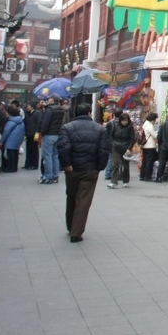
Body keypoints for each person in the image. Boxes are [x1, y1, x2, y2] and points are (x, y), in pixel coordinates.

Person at [57, 103, 110, 242]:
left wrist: (67, 165)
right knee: (83, 201)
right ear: (89, 113)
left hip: (72, 169)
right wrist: (99, 167)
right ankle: (76, 232)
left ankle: (71, 226)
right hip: (90, 169)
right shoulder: (100, 129)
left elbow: (63, 147)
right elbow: (103, 150)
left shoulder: (67, 128)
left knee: (71, 196)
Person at [39, 95, 68, 184]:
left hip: (49, 134)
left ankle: (48, 176)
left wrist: (42, 132)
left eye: (49, 98)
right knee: (55, 156)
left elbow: (45, 123)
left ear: (52, 99)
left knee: (47, 156)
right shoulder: (61, 109)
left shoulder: (50, 109)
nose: (48, 100)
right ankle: (55, 176)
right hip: (57, 134)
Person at [107, 111, 136, 189]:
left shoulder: (130, 127)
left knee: (125, 165)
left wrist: (129, 148)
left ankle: (125, 181)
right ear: (120, 120)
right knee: (115, 165)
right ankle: (114, 182)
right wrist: (113, 143)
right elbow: (111, 135)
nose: (124, 122)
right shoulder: (115, 125)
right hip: (116, 147)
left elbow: (132, 139)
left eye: (126, 120)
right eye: (123, 120)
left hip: (126, 148)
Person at [0, 102, 25, 172]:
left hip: (10, 139)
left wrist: (1, 141)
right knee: (15, 153)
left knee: (10, 154)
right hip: (18, 139)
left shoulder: (11, 121)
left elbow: (6, 132)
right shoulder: (20, 121)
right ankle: (14, 167)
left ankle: (11, 168)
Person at [140, 112, 159, 181]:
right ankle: (147, 176)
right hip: (150, 146)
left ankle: (142, 175)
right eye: (155, 119)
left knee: (144, 161)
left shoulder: (145, 124)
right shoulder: (150, 126)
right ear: (153, 119)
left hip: (144, 145)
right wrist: (157, 132)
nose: (155, 121)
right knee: (149, 162)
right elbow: (155, 135)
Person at [23, 101, 42, 170]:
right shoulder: (27, 113)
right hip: (28, 133)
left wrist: (37, 132)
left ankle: (34, 164)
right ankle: (28, 164)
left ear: (32, 107)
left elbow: (38, 123)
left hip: (34, 133)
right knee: (28, 149)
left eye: (28, 106)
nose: (27, 107)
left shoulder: (37, 113)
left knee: (34, 150)